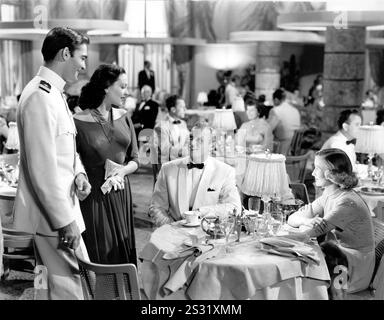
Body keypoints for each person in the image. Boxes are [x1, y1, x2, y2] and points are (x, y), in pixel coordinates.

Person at [14, 27, 92, 300]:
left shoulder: (53, 93)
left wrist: (79, 173)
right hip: (53, 221)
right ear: (65, 53)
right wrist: (64, 221)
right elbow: (42, 170)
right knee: (70, 291)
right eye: (82, 58)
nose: (83, 66)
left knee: (46, 287)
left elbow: (63, 150)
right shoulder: (39, 95)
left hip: (59, 214)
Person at [74, 64, 139, 265]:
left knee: (122, 249)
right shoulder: (77, 120)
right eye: (122, 86)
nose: (126, 91)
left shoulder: (125, 116)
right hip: (94, 197)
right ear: (106, 87)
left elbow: (135, 159)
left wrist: (123, 171)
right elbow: (72, 161)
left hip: (121, 193)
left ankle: (124, 294)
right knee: (100, 251)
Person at [287, 148, 374, 299]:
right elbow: (292, 219)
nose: (313, 173)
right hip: (337, 258)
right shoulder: (329, 194)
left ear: (331, 175)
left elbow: (307, 234)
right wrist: (307, 221)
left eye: (317, 169)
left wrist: (306, 227)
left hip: (352, 267)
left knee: (305, 259)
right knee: (306, 257)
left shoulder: (347, 203)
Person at [149, 122, 241, 227]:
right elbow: (156, 207)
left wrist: (200, 212)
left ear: (211, 145)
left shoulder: (225, 171)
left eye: (200, 140)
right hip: (174, 233)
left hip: (207, 233)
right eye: (191, 138)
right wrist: (171, 228)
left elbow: (235, 207)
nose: (192, 144)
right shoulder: (168, 169)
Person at [151, 95, 190, 183]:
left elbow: (188, 141)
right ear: (173, 109)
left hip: (182, 164)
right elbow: (166, 151)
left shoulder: (183, 123)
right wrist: (185, 152)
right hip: (168, 169)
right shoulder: (160, 126)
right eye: (182, 107)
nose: (185, 109)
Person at [268, 88, 301, 155]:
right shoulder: (295, 110)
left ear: (276, 100)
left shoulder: (275, 110)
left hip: (281, 149)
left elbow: (268, 129)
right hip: (293, 149)